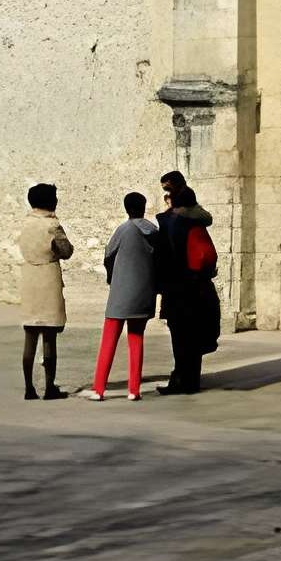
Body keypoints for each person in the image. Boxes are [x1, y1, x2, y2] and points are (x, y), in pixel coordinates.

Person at [81, 192, 159, 401]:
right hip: (144, 292)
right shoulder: (153, 231)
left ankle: (99, 389)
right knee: (136, 339)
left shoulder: (124, 230)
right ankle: (134, 390)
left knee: (109, 339)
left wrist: (111, 277)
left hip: (121, 291)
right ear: (143, 207)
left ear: (126, 208)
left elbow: (108, 254)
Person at [155, 170, 219, 395]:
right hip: (199, 286)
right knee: (193, 333)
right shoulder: (197, 221)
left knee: (179, 336)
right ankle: (191, 380)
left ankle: (180, 380)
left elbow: (161, 257)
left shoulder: (169, 222)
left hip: (177, 288)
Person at [18, 181, 73, 400]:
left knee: (30, 336)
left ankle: (29, 388)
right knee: (49, 337)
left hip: (29, 278)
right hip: (48, 278)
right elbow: (66, 251)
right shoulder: (52, 226)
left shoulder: (25, 224)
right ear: (50, 201)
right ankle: (49, 387)